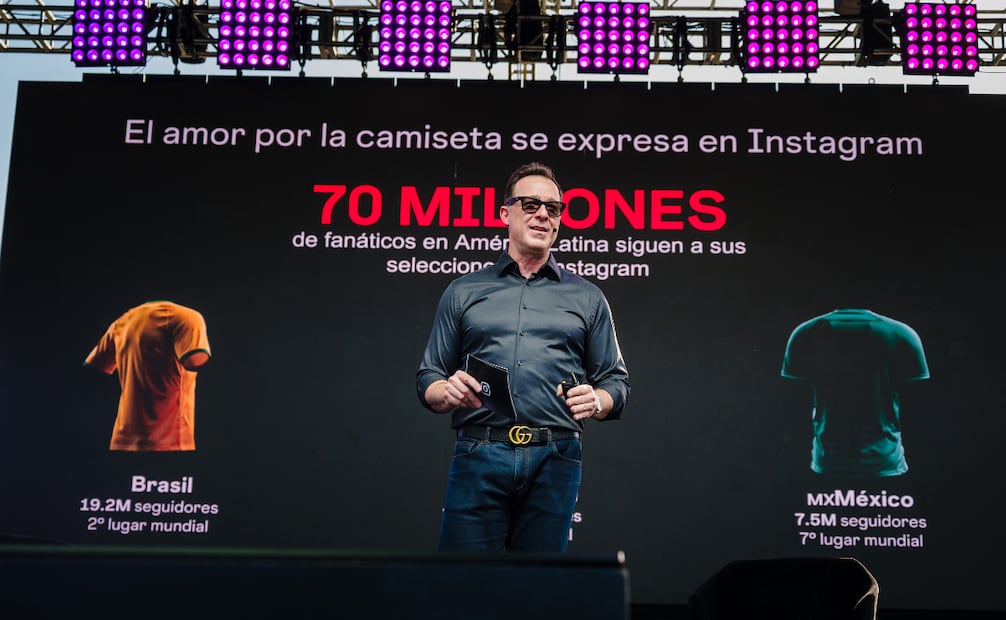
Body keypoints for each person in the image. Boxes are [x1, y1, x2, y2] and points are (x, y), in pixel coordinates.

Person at [416, 162, 629, 552]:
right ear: (505, 214)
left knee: (538, 591)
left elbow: (616, 382)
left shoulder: (588, 297)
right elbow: (429, 375)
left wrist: (598, 400)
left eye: (554, 208)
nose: (543, 215)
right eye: (530, 205)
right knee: (460, 588)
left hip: (557, 456)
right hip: (479, 452)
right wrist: (444, 392)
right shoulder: (463, 291)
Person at [85, 300, 212, 452]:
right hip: (170, 444)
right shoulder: (188, 317)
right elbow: (194, 361)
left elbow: (95, 367)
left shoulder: (122, 321)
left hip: (121, 441)